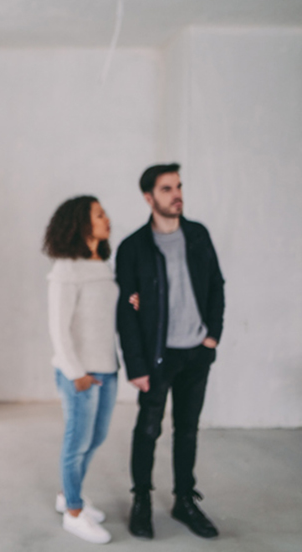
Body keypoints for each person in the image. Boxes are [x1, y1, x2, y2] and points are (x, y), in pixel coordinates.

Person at [115, 163, 225, 540]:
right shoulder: (133, 247)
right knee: (148, 429)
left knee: (187, 430)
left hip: (196, 351)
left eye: (178, 186)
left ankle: (184, 500)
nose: (176, 194)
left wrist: (212, 337)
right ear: (149, 197)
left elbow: (216, 286)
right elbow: (125, 313)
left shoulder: (197, 235)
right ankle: (142, 500)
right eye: (166, 189)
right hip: (157, 358)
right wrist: (136, 365)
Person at [43, 196, 119, 545]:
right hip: (81, 375)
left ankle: (67, 495)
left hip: (107, 368)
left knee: (96, 437)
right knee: (77, 443)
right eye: (99, 215)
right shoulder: (65, 270)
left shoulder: (102, 265)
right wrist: (77, 374)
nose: (107, 219)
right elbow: (59, 329)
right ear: (81, 224)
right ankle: (73, 512)